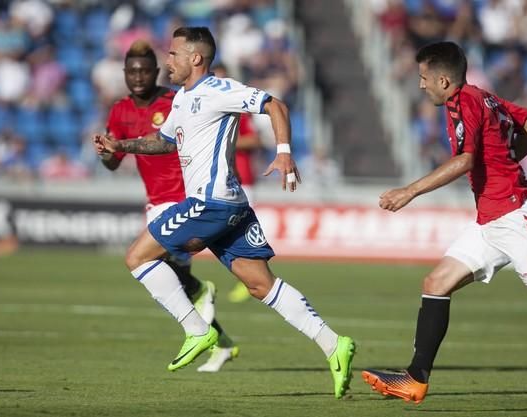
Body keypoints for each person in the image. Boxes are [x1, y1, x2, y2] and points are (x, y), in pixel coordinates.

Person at [93, 27, 356, 398]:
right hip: (231, 205)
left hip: (209, 202)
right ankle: (334, 344)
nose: (167, 60)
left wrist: (283, 151)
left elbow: (275, 105)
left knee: (137, 257)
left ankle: (197, 329)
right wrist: (119, 144)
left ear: (195, 58)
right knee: (260, 285)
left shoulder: (219, 90)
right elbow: (162, 142)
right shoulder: (182, 100)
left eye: (173, 54)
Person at [361, 41, 527, 404]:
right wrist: (504, 158)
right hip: (489, 220)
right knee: (436, 282)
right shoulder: (484, 97)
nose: (421, 85)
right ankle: (415, 379)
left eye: (424, 78)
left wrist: (410, 190)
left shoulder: (464, 102)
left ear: (443, 80)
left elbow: (466, 161)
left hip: (517, 214)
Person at [99, 39, 239, 373]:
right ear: (124, 74)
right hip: (155, 201)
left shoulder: (175, 99)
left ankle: (201, 297)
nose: (138, 77)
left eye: (145, 70)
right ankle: (220, 343)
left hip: (185, 195)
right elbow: (113, 162)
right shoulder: (119, 111)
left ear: (156, 71)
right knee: (167, 278)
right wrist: (106, 152)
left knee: (150, 265)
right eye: (132, 71)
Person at [211, 63, 263, 304]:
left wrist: (224, 141)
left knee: (240, 233)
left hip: (241, 179)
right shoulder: (206, 110)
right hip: (214, 182)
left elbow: (254, 139)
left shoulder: (238, 109)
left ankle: (250, 279)